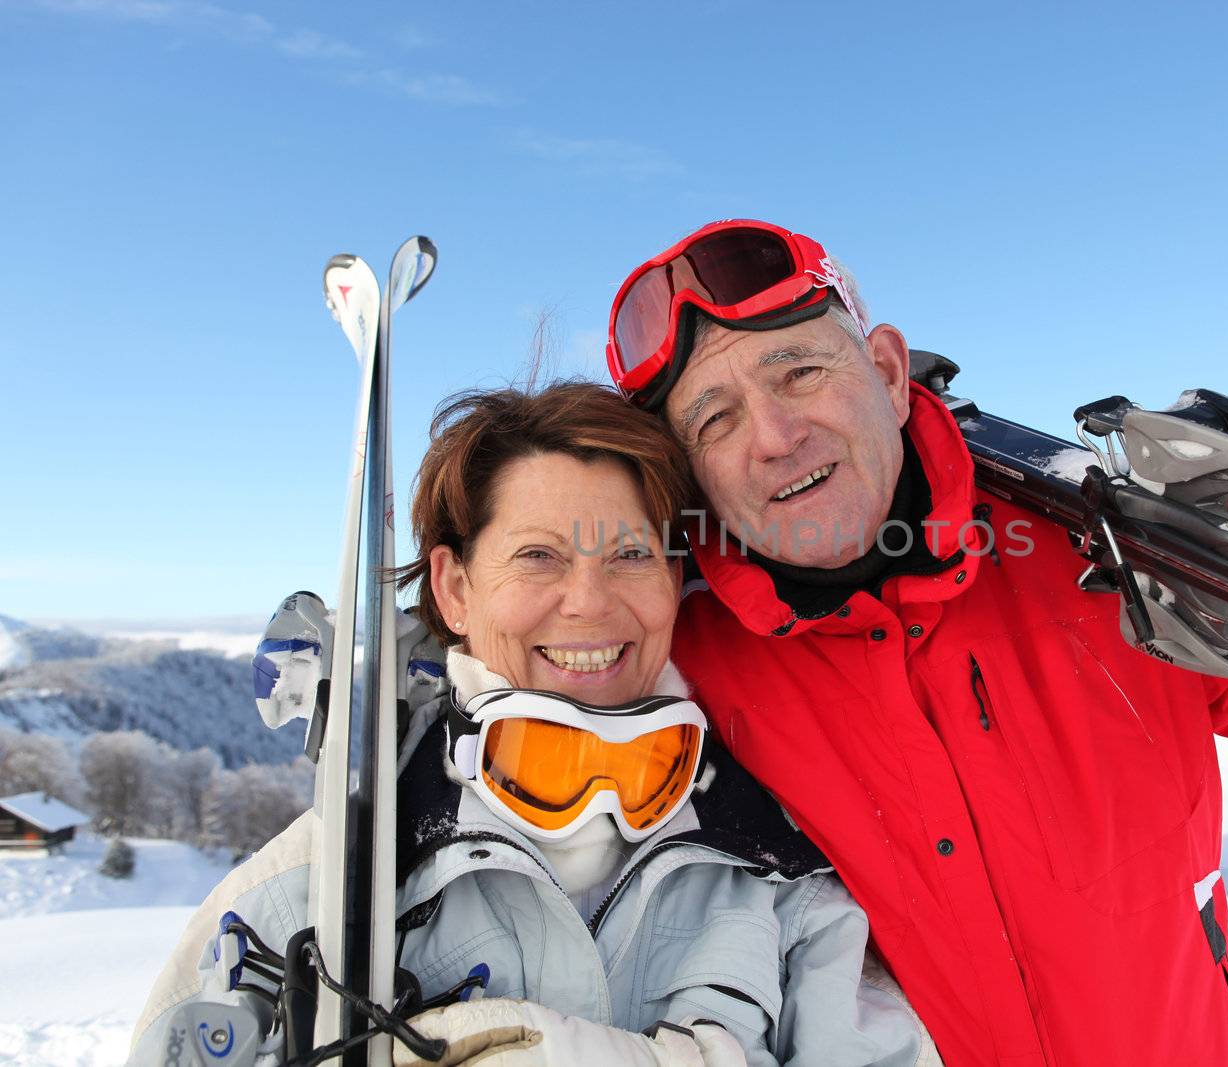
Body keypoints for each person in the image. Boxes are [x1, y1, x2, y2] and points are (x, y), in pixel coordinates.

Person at [603, 219, 1228, 1065]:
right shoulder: (681, 656)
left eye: (800, 370)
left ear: (887, 370)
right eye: (715, 416)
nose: (773, 435)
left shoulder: (1098, 557)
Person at [128, 381, 938, 1067]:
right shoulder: (301, 898)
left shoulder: (782, 875)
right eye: (539, 556)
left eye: (631, 554)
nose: (589, 600)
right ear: (453, 589)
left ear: (673, 579)